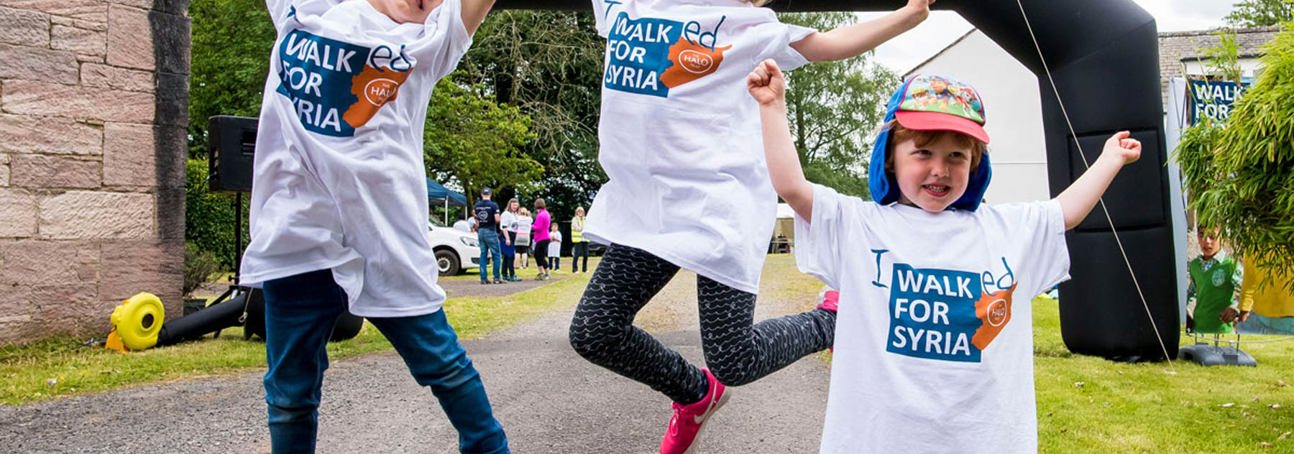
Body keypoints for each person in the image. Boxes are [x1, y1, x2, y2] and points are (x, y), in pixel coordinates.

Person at [569, 1, 934, 452]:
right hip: (646, 206)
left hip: (718, 204)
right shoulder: (627, 3)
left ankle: (833, 319)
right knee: (594, 331)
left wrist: (910, 15)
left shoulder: (749, 26)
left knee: (735, 359)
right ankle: (695, 394)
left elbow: (828, 45)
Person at [751, 61, 1143, 452]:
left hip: (981, 439)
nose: (939, 170)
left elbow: (1064, 212)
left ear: (975, 163)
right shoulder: (859, 226)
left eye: (956, 156)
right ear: (891, 157)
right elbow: (793, 187)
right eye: (922, 152)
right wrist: (772, 109)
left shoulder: (1006, 230)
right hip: (878, 439)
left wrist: (1109, 160)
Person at [238, 0, 508, 452]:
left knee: (446, 368)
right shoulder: (308, 9)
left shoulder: (431, 39)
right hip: (295, 237)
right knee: (290, 396)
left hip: (386, 244)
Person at [1187, 226, 1243, 334]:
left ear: (1223, 238)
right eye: (1201, 235)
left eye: (1212, 236)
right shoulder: (1194, 265)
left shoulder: (1230, 265)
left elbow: (1247, 292)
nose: (1206, 241)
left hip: (1222, 333)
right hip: (1198, 331)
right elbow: (1191, 292)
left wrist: (1235, 308)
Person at [1236, 257, 1294, 334]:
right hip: (1258, 319)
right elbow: (1249, 279)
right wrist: (1243, 310)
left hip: (1288, 323)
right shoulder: (1255, 246)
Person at [474, 188, 504, 285]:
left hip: (481, 231)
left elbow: (476, 220)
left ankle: (483, 278)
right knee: (496, 254)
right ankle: (496, 277)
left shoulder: (477, 205)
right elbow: (497, 219)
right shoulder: (493, 205)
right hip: (490, 230)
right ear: (490, 194)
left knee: (483, 254)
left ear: (481, 194)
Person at [500, 198, 521, 282]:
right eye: (513, 205)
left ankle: (504, 274)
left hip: (513, 235)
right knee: (510, 256)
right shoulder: (506, 214)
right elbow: (504, 227)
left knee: (506, 257)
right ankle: (512, 275)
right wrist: (507, 238)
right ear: (510, 205)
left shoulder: (515, 214)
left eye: (516, 205)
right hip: (507, 235)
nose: (515, 206)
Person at [532, 198, 552, 280]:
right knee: (538, 255)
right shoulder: (546, 213)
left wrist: (530, 226)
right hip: (545, 237)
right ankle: (542, 272)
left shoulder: (540, 215)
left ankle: (546, 273)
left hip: (541, 237)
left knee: (539, 255)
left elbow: (538, 227)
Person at [570, 207, 589, 273]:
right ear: (577, 212)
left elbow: (588, 227)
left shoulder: (586, 219)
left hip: (585, 239)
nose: (580, 213)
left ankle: (585, 269)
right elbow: (576, 228)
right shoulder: (574, 219)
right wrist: (583, 228)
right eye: (579, 211)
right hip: (578, 239)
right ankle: (575, 269)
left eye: (582, 211)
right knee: (577, 254)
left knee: (586, 255)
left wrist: (583, 228)